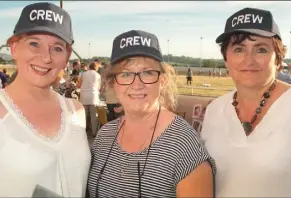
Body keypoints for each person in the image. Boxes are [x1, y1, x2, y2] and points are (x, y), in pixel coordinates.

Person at [0, 2, 90, 197]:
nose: (46, 57)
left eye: (57, 48)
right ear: (14, 48)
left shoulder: (75, 112)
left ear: (67, 57)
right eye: (34, 43)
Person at [87, 30, 216, 197]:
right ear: (113, 83)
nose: (137, 84)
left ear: (162, 81)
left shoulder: (183, 145)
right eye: (126, 74)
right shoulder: (104, 136)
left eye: (147, 73)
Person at [202, 7, 291, 197]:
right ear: (226, 59)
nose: (248, 60)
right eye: (238, 49)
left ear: (278, 59)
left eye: (260, 49)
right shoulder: (215, 110)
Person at [79, 62, 101, 137]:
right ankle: (94, 133)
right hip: (93, 96)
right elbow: (99, 88)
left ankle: (83, 132)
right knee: (93, 116)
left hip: (84, 96)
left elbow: (79, 85)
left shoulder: (83, 74)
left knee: (84, 116)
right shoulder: (98, 75)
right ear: (96, 68)